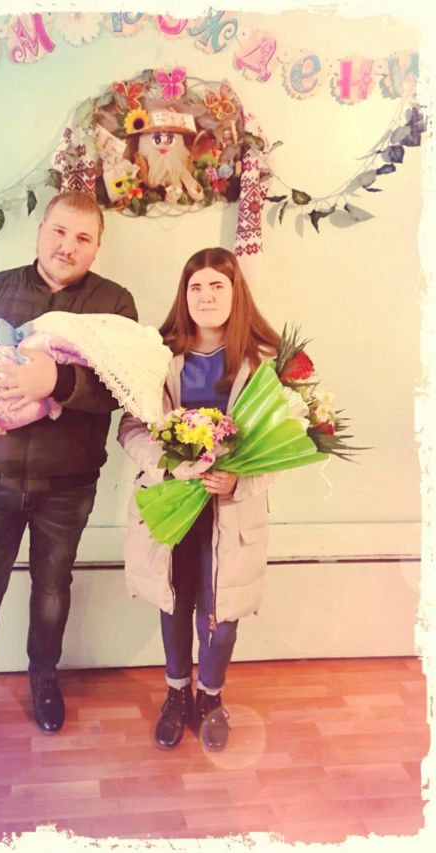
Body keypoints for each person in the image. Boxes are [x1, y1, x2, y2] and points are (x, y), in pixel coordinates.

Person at [0, 191, 137, 765]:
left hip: (69, 486)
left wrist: (57, 383)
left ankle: (44, 680)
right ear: (41, 230)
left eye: (83, 238)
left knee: (52, 592)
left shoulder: (114, 303)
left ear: (97, 246)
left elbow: (120, 390)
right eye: (60, 232)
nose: (68, 246)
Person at [118, 247, 280, 752]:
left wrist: (239, 482)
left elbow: (284, 443)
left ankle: (210, 696)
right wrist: (167, 463)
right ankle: (175, 693)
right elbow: (130, 428)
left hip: (230, 512)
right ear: (183, 295)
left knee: (220, 612)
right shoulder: (159, 358)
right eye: (196, 287)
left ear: (236, 293)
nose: (206, 296)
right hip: (172, 502)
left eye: (217, 286)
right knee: (175, 598)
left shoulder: (262, 362)